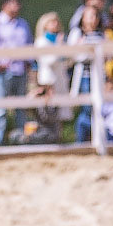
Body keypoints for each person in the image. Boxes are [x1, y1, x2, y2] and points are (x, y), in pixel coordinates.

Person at [0, 0, 33, 145]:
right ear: (4, 5)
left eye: (17, 3)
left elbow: (29, 44)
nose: (16, 6)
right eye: (12, 3)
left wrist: (28, 62)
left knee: (21, 109)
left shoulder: (23, 24)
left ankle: (21, 141)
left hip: (20, 71)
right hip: (2, 72)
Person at [68, 5, 105, 144]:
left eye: (95, 15)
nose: (93, 19)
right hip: (84, 76)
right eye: (90, 16)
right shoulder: (77, 34)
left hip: (99, 77)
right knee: (86, 109)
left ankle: (97, 140)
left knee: (99, 109)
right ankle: (81, 141)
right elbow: (75, 56)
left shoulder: (101, 34)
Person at [32, 11, 71, 140]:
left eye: (56, 21)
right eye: (51, 22)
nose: (55, 24)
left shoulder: (60, 40)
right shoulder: (41, 41)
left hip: (60, 80)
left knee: (60, 113)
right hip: (48, 81)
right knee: (48, 113)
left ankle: (58, 138)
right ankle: (49, 138)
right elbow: (49, 61)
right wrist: (59, 47)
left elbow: (69, 60)